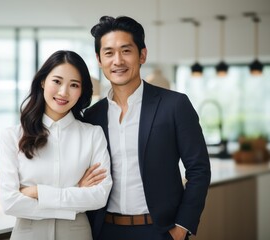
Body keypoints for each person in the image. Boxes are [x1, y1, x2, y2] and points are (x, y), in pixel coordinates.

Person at [84, 16, 211, 240]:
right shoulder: (92, 115)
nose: (118, 60)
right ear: (99, 59)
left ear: (142, 54)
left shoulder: (174, 105)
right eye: (109, 53)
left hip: (159, 231)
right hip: (106, 231)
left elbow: (199, 169)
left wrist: (182, 227)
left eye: (126, 50)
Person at [0, 50, 112, 240]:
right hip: (28, 234)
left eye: (74, 85)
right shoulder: (12, 136)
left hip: (76, 235)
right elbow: (10, 203)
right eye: (57, 81)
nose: (63, 92)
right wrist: (76, 194)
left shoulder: (93, 134)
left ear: (81, 90)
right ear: (43, 81)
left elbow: (99, 196)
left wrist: (37, 192)